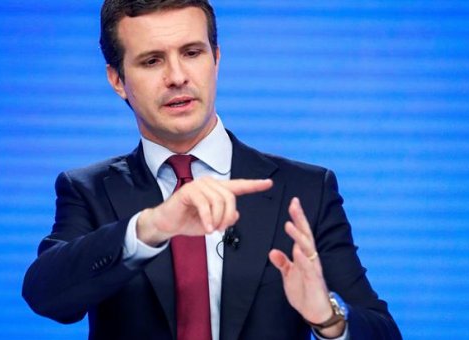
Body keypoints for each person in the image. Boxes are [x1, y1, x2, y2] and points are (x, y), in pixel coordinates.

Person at [22, 1, 402, 339]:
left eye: (191, 52)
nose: (177, 76)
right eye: (152, 60)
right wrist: (151, 227)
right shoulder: (87, 189)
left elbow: (381, 331)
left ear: (216, 58)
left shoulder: (305, 188)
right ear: (117, 79)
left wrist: (328, 318)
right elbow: (47, 296)